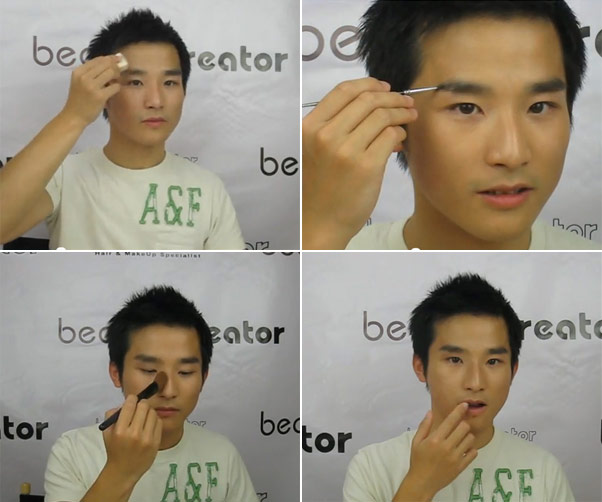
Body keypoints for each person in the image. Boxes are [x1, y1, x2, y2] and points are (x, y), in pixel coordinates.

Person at [302, 0, 600, 250]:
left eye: (539, 107)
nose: (512, 154)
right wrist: (322, 232)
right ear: (392, 114)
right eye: (466, 108)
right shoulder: (331, 248)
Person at [0, 9, 244, 250]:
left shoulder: (207, 188)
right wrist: (74, 115)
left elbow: (231, 271)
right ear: (104, 92)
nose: (156, 101)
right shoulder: (64, 176)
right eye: (136, 82)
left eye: (170, 83)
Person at [343, 273, 574, 501]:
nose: (475, 383)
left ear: (513, 371)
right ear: (421, 367)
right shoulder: (372, 467)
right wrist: (420, 483)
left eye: (493, 361)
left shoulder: (544, 470)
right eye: (455, 360)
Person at [44, 285, 259, 502]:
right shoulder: (73, 451)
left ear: (203, 377)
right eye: (148, 370)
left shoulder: (222, 453)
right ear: (116, 373)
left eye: (185, 372)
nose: (169, 391)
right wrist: (120, 471)